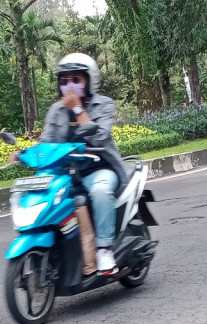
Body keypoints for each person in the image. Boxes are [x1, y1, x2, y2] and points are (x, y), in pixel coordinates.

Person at [15, 52, 127, 273]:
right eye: (64, 81)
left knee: (101, 191)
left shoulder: (104, 104)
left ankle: (104, 249)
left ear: (89, 81)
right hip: (64, 173)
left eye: (76, 80)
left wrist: (77, 108)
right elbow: (47, 141)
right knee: (39, 195)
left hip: (98, 167)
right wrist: (24, 153)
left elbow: (100, 137)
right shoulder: (56, 110)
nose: (69, 86)